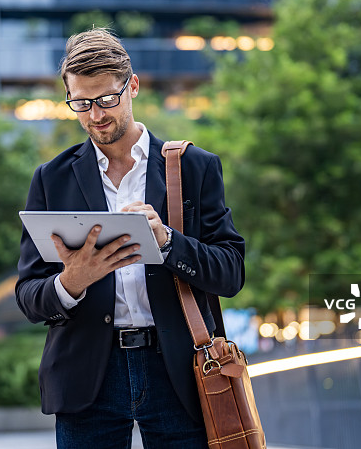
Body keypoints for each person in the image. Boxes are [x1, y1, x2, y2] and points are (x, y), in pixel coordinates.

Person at [15, 28, 245, 449]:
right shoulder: (51, 178)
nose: (95, 115)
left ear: (132, 86)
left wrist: (169, 243)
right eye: (81, 103)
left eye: (106, 99)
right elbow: (29, 296)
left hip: (179, 371)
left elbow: (231, 274)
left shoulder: (194, 167)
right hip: (88, 377)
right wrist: (71, 283)